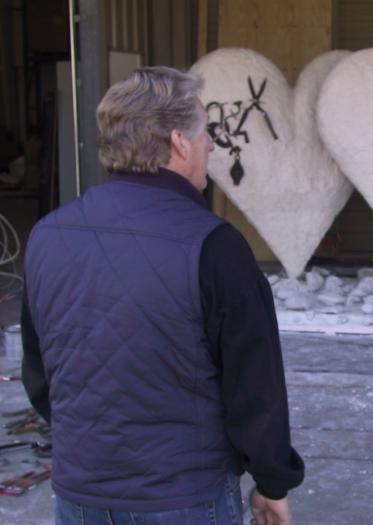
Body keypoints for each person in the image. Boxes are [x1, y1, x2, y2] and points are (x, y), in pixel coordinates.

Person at [21, 66, 303, 525]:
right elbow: (255, 390)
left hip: (80, 496)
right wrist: (273, 483)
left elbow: (40, 374)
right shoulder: (215, 245)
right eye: (205, 132)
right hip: (183, 496)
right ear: (179, 143)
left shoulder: (47, 235)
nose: (212, 145)